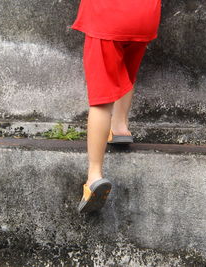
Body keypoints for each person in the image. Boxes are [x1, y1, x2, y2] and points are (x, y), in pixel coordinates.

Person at [72, 0, 162, 213]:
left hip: (107, 15)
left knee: (101, 100)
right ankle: (120, 127)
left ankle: (94, 175)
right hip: (144, 16)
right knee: (125, 72)